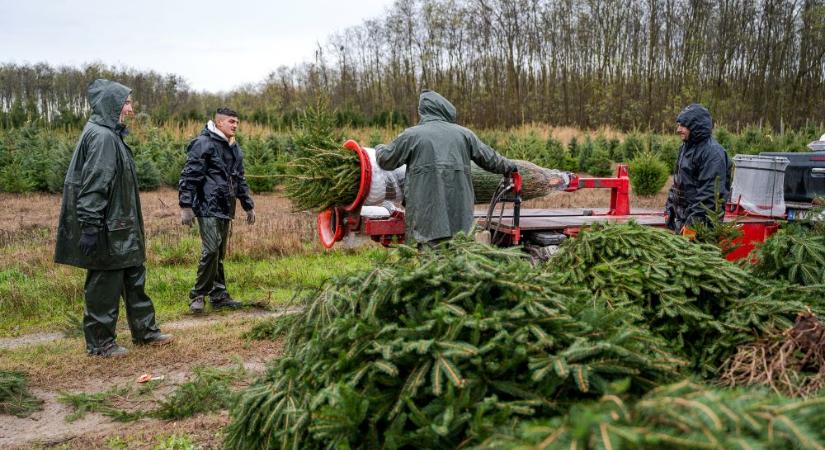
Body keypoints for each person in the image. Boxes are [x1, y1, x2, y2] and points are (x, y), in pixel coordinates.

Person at [55, 79, 172, 357]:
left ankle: (145, 331)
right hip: (109, 228)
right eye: (127, 103)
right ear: (112, 105)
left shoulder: (111, 134)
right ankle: (100, 343)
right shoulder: (103, 137)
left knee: (134, 277)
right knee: (105, 283)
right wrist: (91, 226)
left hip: (123, 226)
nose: (130, 109)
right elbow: (95, 183)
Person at [376, 90, 516, 245]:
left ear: (424, 111)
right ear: (445, 110)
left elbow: (385, 160)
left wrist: (379, 147)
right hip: (460, 217)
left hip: (426, 218)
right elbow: (491, 159)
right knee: (458, 256)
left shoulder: (412, 135)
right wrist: (511, 166)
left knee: (430, 264)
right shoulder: (464, 134)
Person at [178, 108, 255, 313]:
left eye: (237, 122)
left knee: (219, 253)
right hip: (206, 205)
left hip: (225, 207)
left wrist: (247, 205)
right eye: (231, 121)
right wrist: (186, 205)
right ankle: (198, 294)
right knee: (211, 250)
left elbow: (240, 178)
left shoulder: (234, 147)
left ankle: (219, 295)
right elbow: (190, 175)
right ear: (219, 123)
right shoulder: (203, 143)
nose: (235, 125)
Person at [665, 103, 733, 233]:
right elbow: (679, 183)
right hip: (683, 219)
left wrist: (693, 224)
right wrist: (670, 208)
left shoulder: (712, 153)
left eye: (683, 125)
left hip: (702, 225)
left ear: (695, 126)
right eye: (678, 125)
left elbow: (710, 195)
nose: (678, 129)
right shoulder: (685, 147)